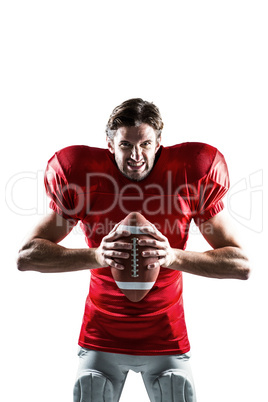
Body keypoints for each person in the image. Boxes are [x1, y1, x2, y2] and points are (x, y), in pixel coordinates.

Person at [17, 98, 250, 402]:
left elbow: (241, 263)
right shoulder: (84, 180)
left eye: (146, 144)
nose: (136, 155)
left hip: (166, 337)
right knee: (91, 390)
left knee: (176, 392)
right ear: (110, 145)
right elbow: (27, 255)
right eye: (126, 145)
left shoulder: (188, 176)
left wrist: (173, 256)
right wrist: (96, 256)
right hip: (102, 335)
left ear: (159, 142)